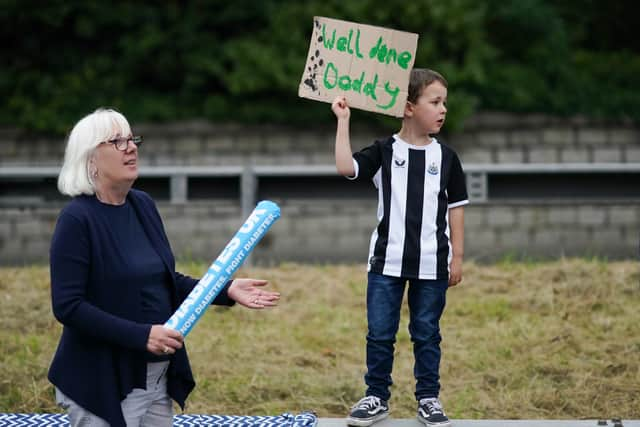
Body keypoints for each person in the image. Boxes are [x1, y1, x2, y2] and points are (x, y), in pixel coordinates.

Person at [48, 108, 280, 427]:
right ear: (90, 159)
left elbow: (164, 281)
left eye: (132, 139)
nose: (131, 147)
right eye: (117, 141)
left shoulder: (142, 205)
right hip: (102, 379)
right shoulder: (76, 220)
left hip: (156, 374)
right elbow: (68, 307)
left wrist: (225, 289)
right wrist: (141, 335)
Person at [331, 68, 468, 427]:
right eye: (434, 102)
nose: (443, 110)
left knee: (426, 333)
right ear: (409, 108)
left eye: (444, 103)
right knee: (379, 333)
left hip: (432, 264)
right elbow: (346, 167)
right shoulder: (384, 151)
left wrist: (458, 257)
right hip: (386, 264)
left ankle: (429, 399)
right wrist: (343, 120)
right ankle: (376, 396)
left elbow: (456, 208)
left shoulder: (448, 158)